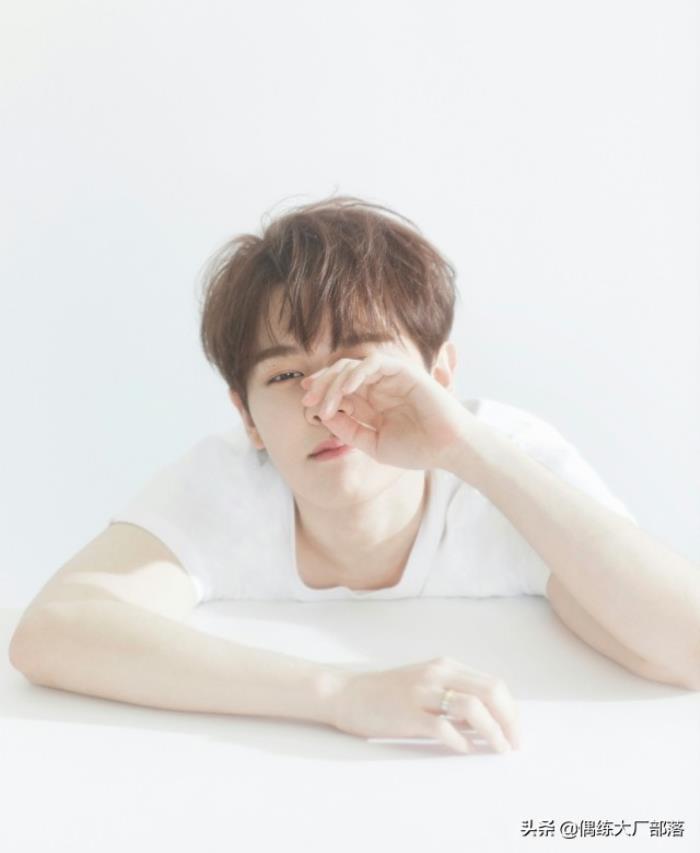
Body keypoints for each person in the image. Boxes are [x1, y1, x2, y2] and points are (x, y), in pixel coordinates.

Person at [9, 196, 700, 757]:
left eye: (362, 364)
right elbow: (56, 632)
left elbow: (686, 645)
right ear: (246, 416)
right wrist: (340, 694)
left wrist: (463, 446)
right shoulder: (232, 483)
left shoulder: (502, 465)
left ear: (440, 376)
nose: (326, 404)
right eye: (285, 375)